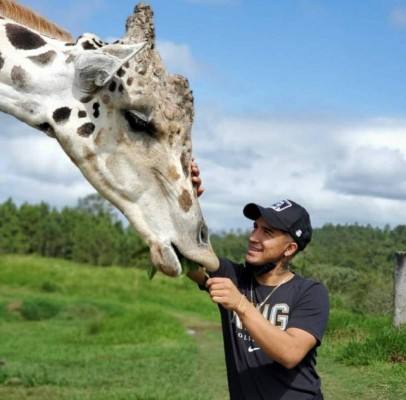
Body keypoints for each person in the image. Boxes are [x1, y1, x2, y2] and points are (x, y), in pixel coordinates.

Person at [189, 161, 330, 400]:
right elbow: (191, 250)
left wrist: (241, 305)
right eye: (255, 227)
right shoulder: (233, 277)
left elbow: (290, 352)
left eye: (267, 232)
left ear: (290, 248)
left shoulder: (311, 293)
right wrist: (188, 198)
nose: (253, 237)